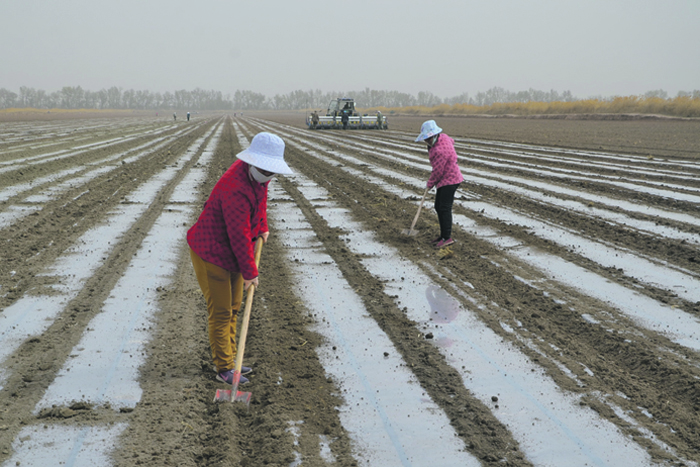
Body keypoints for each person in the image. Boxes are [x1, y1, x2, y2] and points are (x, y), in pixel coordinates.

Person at [187, 132, 293, 385]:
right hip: (211, 252)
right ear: (253, 162)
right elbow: (239, 235)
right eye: (265, 171)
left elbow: (261, 201)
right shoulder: (235, 188)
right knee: (222, 312)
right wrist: (250, 272)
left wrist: (263, 226)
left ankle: (233, 359)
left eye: (272, 172)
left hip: (230, 252)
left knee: (235, 307)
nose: (269, 176)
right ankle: (224, 367)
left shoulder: (258, 175)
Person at [415, 120, 463, 248]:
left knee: (444, 208)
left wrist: (429, 184)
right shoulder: (444, 137)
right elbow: (451, 140)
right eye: (426, 139)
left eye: (428, 139)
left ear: (434, 136)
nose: (426, 141)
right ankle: (443, 236)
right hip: (446, 179)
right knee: (438, 206)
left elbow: (438, 171)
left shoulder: (439, 151)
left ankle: (447, 238)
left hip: (450, 179)